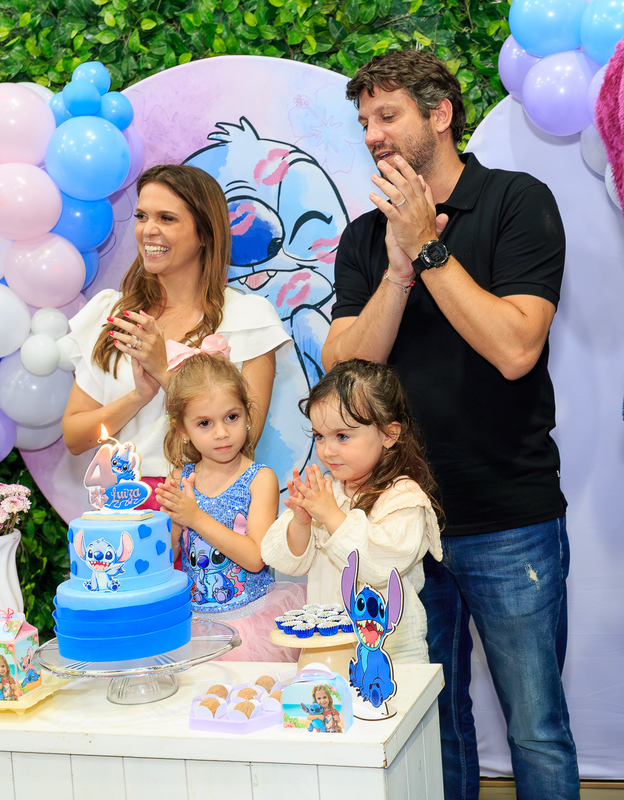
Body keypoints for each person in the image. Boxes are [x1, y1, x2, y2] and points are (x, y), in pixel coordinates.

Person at [320, 50, 576, 799]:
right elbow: (345, 369)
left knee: (536, 728)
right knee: (431, 721)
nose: (373, 133)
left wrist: (429, 248)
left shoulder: (516, 202)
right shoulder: (365, 239)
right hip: (398, 523)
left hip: (507, 516)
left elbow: (515, 349)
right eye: (365, 121)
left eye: (388, 115)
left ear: (440, 115)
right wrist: (398, 270)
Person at [62, 164, 291, 507]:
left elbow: (244, 439)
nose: (148, 230)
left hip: (208, 509)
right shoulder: (112, 314)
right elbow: (76, 438)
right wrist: (138, 397)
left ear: (205, 233)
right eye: (142, 217)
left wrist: (164, 372)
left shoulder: (247, 318)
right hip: (123, 509)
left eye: (167, 218)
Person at [261, 358, 442, 666]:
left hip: (390, 660)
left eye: (342, 436)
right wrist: (302, 523)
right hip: (328, 654)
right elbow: (284, 560)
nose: (327, 450)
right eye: (319, 436)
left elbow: (381, 567)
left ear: (389, 435)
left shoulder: (404, 499)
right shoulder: (326, 491)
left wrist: (331, 516)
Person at [155, 350, 304, 661]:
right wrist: (174, 523)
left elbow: (255, 558)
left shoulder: (259, 479)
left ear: (247, 415)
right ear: (182, 429)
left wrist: (194, 517)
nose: (222, 433)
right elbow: (167, 557)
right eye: (204, 423)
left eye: (231, 417)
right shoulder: (181, 478)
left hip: (249, 628)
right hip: (196, 626)